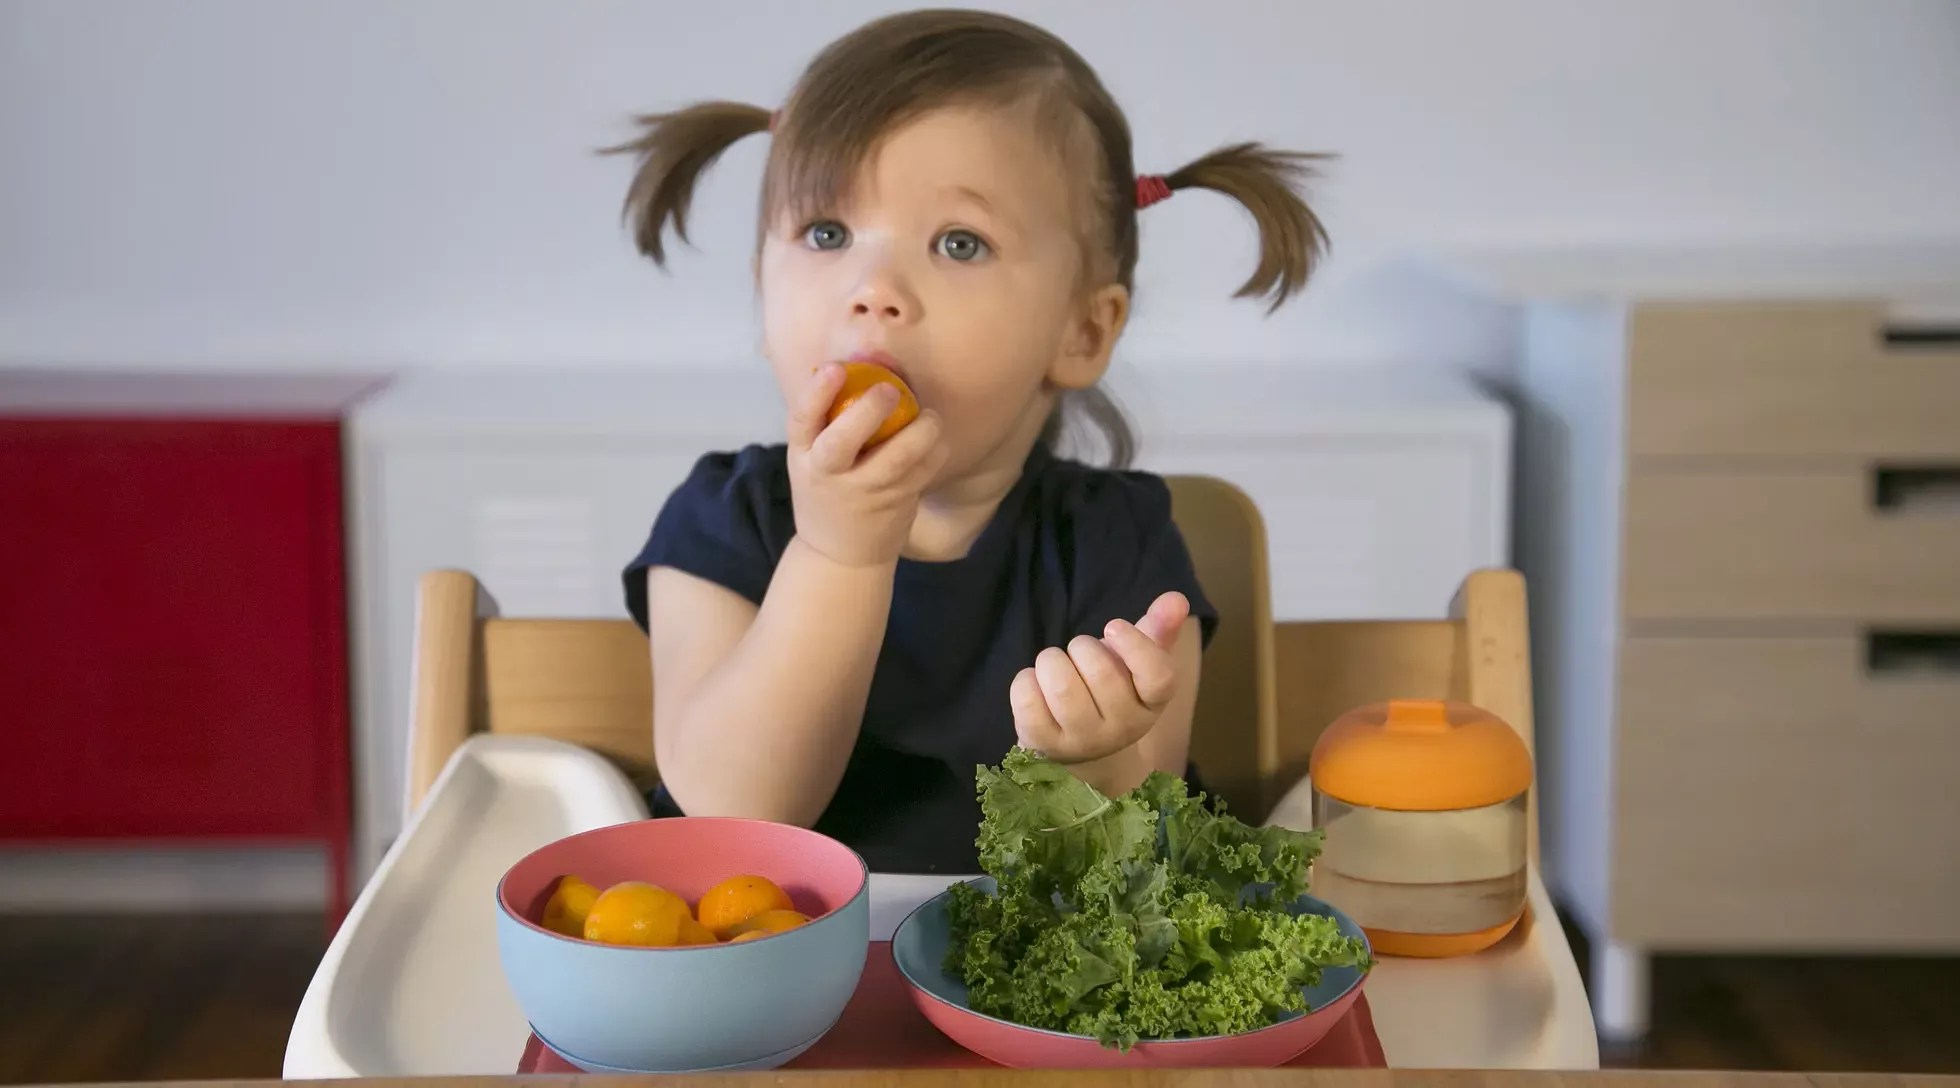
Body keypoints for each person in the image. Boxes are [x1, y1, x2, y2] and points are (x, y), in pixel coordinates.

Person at [615, 8, 1329, 873]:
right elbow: (738, 812)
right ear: (761, 295)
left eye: (959, 243)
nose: (873, 289)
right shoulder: (721, 522)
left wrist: (1097, 759)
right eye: (827, 234)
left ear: (1082, 331)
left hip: (1018, 994)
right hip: (769, 985)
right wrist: (840, 554)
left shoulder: (1116, 545)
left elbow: (1129, 869)